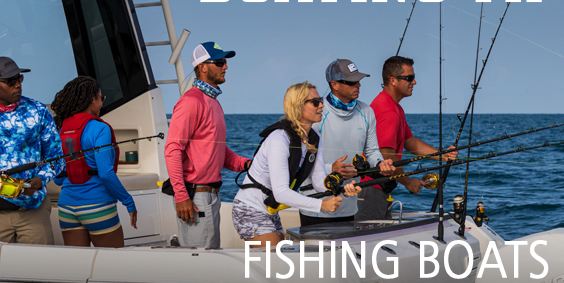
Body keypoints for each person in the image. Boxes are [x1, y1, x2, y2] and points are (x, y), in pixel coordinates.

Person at [233, 82, 360, 246]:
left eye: (320, 100)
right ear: (298, 106)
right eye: (315, 102)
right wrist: (321, 205)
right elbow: (281, 193)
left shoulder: (315, 138)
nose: (322, 105)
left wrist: (341, 189)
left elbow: (319, 182)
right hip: (249, 209)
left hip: (270, 210)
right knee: (276, 261)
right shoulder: (279, 138)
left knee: (278, 262)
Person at [164, 42, 251, 248]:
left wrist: (247, 164)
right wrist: (181, 196)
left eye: (225, 62)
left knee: (208, 257)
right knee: (200, 263)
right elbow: (172, 150)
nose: (226, 66)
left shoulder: (213, 102)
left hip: (210, 197)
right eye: (220, 62)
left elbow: (217, 150)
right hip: (195, 198)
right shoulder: (191, 101)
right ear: (202, 67)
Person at [298, 59, 394, 226]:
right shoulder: (317, 114)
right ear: (334, 85)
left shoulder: (366, 111)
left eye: (359, 80)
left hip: (349, 204)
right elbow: (301, 160)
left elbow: (372, 151)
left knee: (345, 252)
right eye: (352, 82)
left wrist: (380, 164)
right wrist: (331, 169)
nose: (358, 85)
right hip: (316, 205)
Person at [361, 56, 458, 220]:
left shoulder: (395, 107)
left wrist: (443, 155)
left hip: (380, 188)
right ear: (393, 80)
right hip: (370, 189)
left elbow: (410, 142)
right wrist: (408, 182)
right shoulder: (387, 111)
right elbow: (386, 155)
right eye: (409, 78)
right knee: (365, 241)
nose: (414, 82)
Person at [0, 57, 63, 244]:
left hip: (34, 210)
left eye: (19, 79)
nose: (17, 85)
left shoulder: (38, 111)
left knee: (38, 270)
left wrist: (39, 181)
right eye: (10, 81)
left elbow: (57, 157)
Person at [51, 76, 137, 248]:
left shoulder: (61, 128)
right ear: (92, 99)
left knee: (78, 268)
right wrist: (129, 202)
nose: (101, 104)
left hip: (67, 208)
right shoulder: (100, 128)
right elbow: (105, 173)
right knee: (111, 267)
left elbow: (58, 178)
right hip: (97, 207)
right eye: (101, 98)